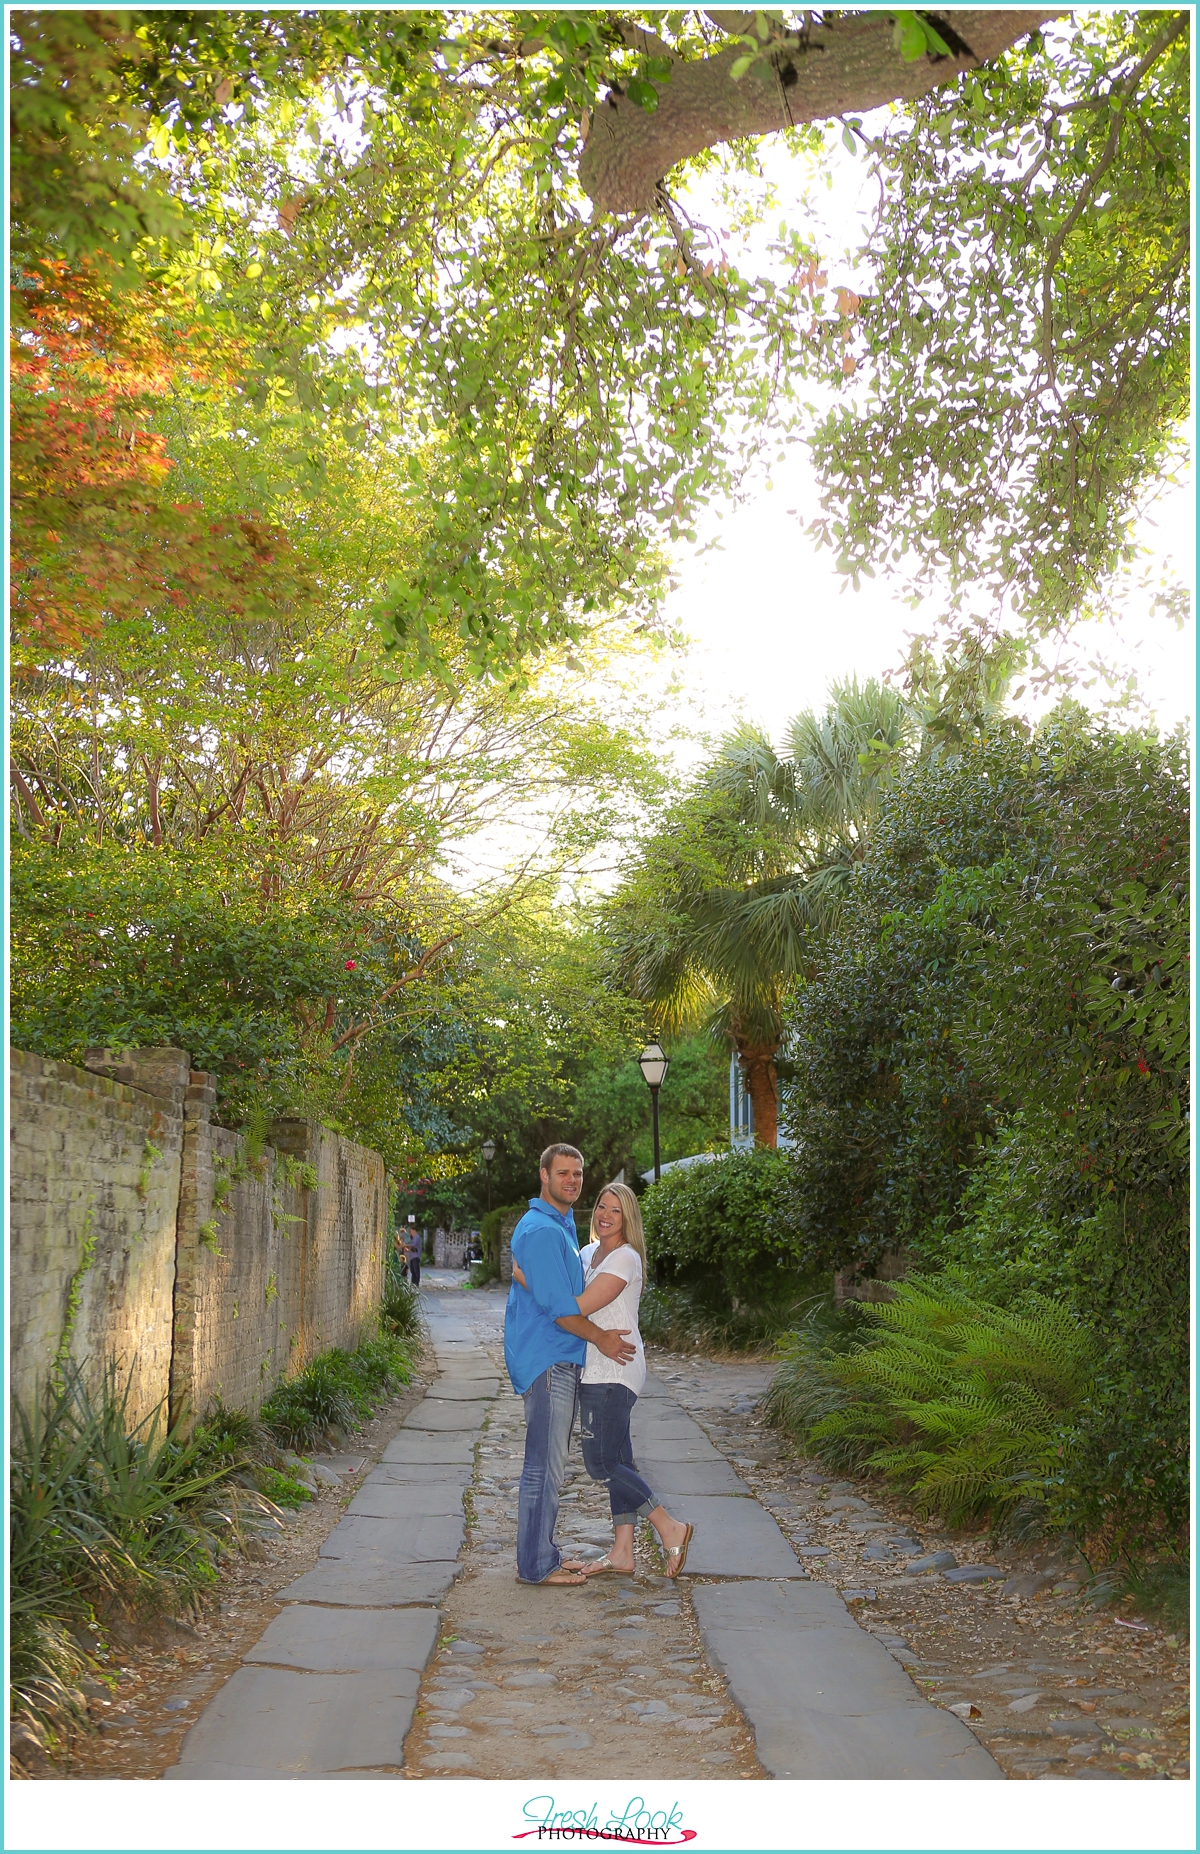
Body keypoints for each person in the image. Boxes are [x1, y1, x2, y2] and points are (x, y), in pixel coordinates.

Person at [521, 1183, 693, 1579]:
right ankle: (622, 1552)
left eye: (616, 1210)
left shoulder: (625, 1259)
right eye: (601, 1206)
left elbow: (576, 1305)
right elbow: (559, 1291)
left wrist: (537, 1285)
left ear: (627, 1218)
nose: (606, 1214)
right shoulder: (586, 1253)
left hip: (614, 1370)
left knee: (600, 1463)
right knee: (621, 1460)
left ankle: (669, 1526)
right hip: (594, 1368)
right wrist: (537, 1279)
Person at [503, 1144, 636, 1587]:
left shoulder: (557, 1226)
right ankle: (537, 1566)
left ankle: (543, 1557)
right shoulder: (543, 1229)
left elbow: (532, 1278)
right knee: (544, 1465)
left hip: (555, 1357)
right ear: (543, 1175)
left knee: (549, 1463)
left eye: (578, 1174)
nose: (572, 1181)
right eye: (563, 1173)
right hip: (549, 1359)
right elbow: (560, 1308)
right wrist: (599, 1337)